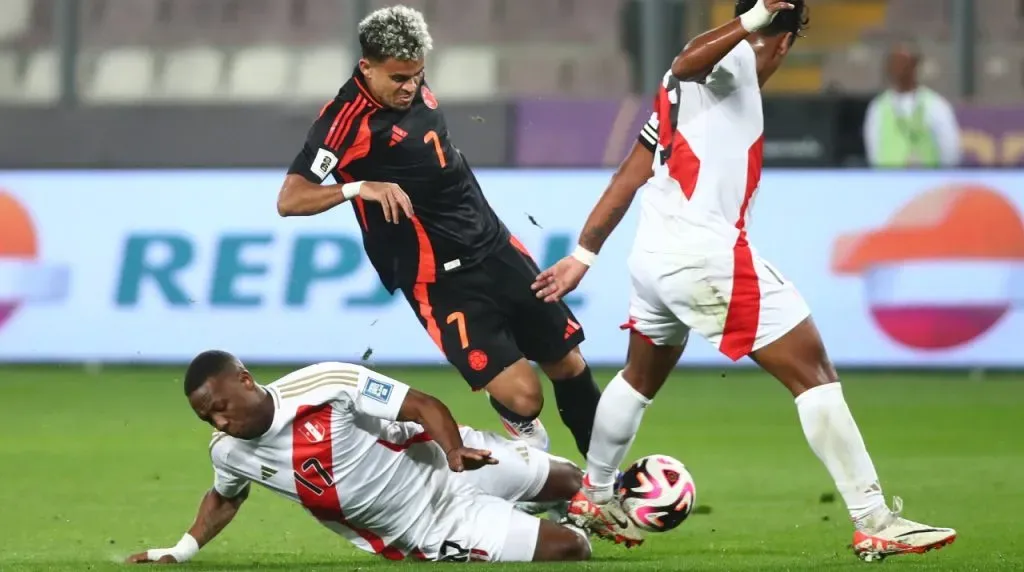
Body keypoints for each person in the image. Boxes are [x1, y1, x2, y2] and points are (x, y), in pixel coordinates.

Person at [531, 0, 957, 562]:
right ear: (783, 42)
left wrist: (585, 254)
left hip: (653, 259)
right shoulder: (727, 62)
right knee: (815, 374)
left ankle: (597, 492)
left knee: (638, 378)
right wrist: (755, 20)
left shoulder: (675, 94)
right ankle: (875, 519)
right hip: (704, 258)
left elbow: (628, 174)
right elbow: (687, 59)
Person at [275, 4, 601, 458]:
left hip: (495, 245)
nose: (410, 87)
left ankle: (608, 487)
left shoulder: (407, 81)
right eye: (398, 79)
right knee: (527, 397)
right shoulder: (343, 123)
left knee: (568, 362)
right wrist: (357, 188)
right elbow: (290, 199)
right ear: (366, 67)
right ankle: (526, 442)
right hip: (440, 277)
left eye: (417, 76)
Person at [125, 351, 591, 564]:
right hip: (430, 529)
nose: (220, 424)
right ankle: (539, 516)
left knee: (576, 481)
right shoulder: (229, 453)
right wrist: (180, 551)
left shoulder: (325, 383)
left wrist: (453, 450)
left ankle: (534, 501)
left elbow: (421, 404)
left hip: (448, 462)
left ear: (245, 380)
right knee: (573, 548)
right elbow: (225, 499)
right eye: (208, 419)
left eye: (220, 408)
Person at [863, 40, 961, 168]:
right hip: (888, 183)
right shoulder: (878, 108)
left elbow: (950, 149)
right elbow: (873, 150)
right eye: (893, 63)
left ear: (914, 65)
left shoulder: (935, 105)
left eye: (902, 63)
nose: (897, 68)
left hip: (928, 183)